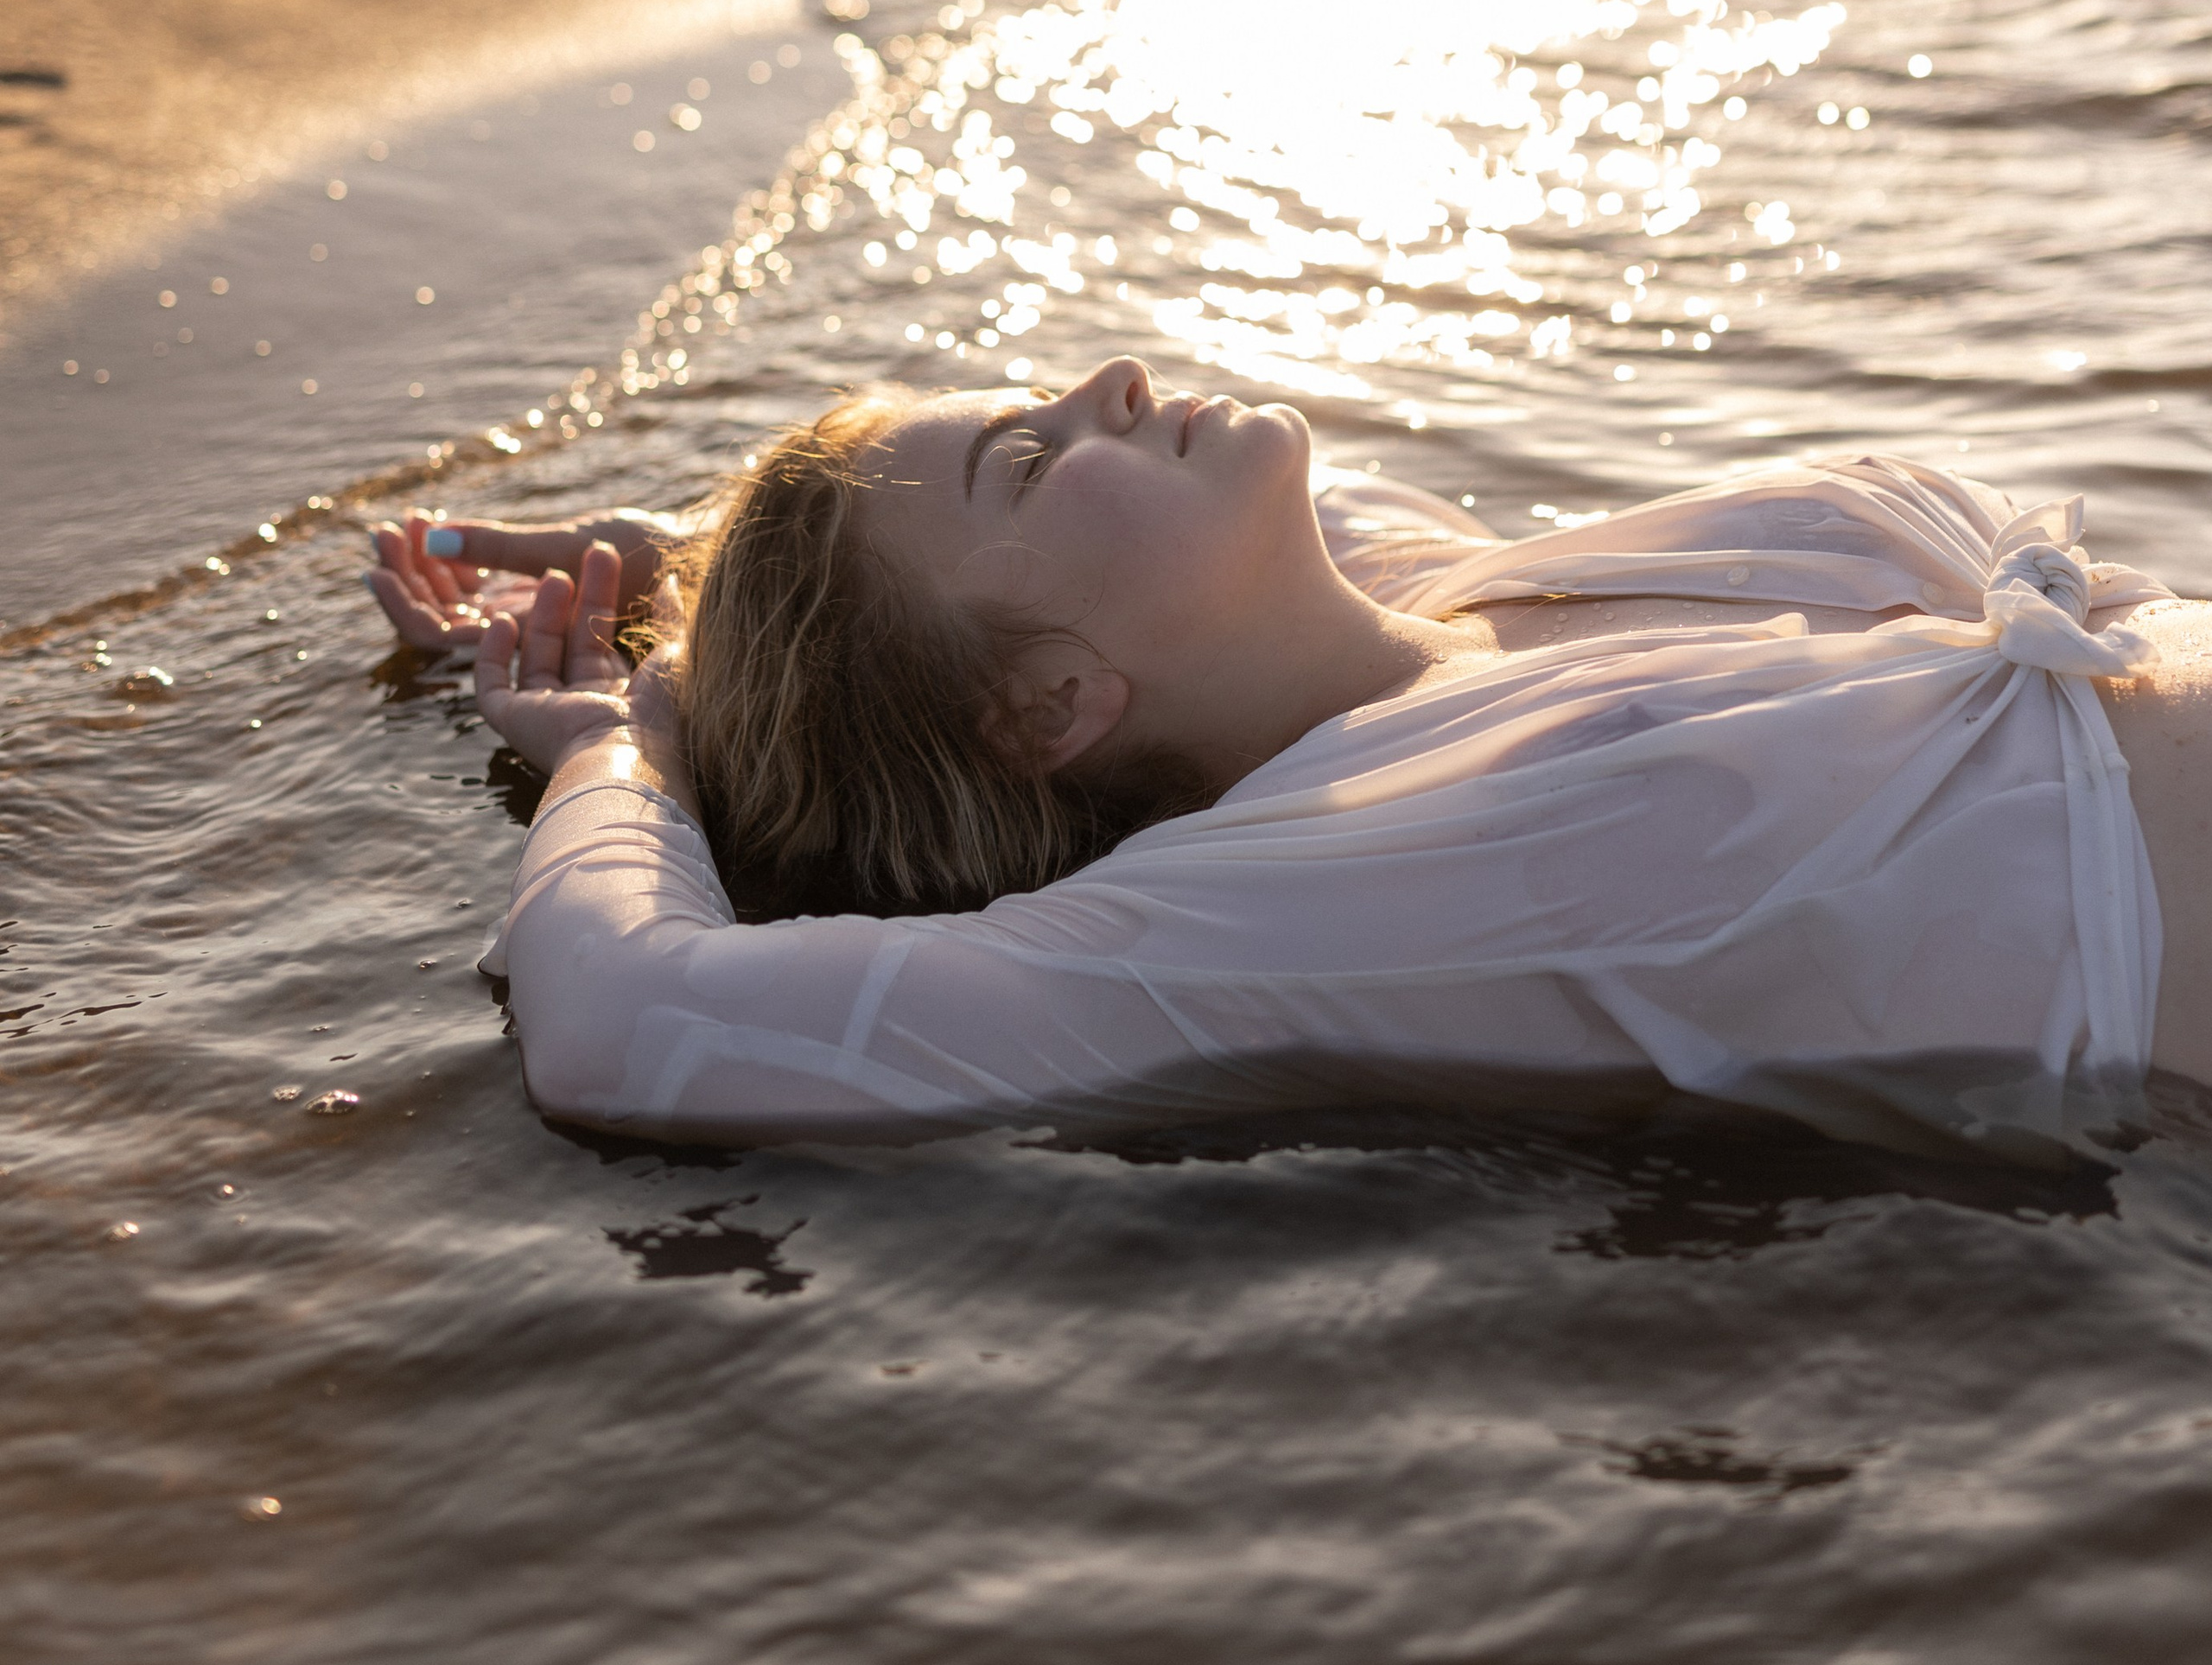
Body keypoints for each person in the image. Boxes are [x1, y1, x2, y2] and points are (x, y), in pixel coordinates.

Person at [366, 356, 2212, 1159]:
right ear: (1044, 714)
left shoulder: (1445, 593)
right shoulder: (1289, 892)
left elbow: (942, 603)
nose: (1101, 380)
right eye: (1026, 453)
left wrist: (689, 574)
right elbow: (632, 1025)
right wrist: (630, 748)